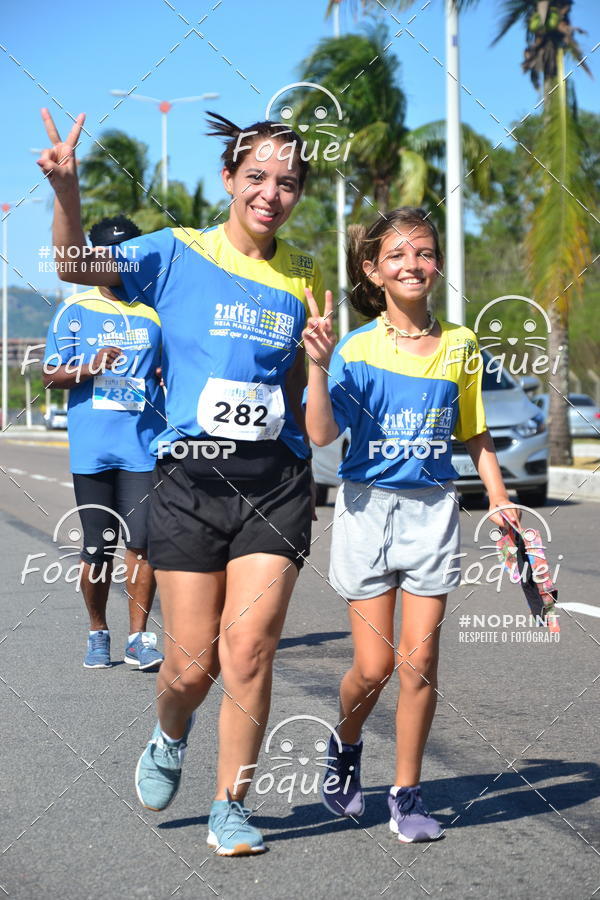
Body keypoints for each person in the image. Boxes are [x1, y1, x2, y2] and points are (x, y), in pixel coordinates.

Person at [37, 108, 323, 855]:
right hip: (191, 481)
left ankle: (232, 807)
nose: (271, 193)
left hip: (274, 481)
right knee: (191, 667)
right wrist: (68, 192)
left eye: (287, 182)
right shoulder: (175, 252)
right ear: (228, 178)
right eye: (256, 176)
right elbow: (76, 268)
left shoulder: (300, 277)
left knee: (250, 651)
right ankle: (170, 733)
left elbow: (292, 385)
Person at [302, 207, 519, 843]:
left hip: (431, 510)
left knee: (419, 665)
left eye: (423, 253)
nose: (412, 265)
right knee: (372, 668)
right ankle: (344, 744)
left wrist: (502, 501)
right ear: (373, 270)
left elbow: (474, 432)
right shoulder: (355, 349)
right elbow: (320, 434)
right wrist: (316, 365)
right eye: (397, 256)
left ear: (438, 263)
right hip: (366, 510)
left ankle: (408, 792)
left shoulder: (461, 345)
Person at [43, 215, 165, 671]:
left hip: (143, 446)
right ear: (95, 254)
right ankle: (98, 630)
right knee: (98, 547)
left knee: (144, 542)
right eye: (110, 252)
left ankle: (139, 637)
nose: (120, 260)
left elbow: (173, 367)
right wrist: (89, 366)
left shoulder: (156, 311)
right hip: (93, 450)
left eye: (129, 251)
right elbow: (50, 375)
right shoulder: (74, 309)